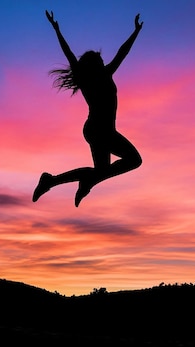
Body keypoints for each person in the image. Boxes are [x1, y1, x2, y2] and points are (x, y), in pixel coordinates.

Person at [33, 10, 143, 207]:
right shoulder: (97, 77)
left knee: (101, 170)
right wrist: (56, 30)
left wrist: (135, 31)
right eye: (100, 61)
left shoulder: (98, 76)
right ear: (94, 65)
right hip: (100, 130)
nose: (103, 62)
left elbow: (121, 53)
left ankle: (51, 180)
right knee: (134, 160)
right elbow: (119, 53)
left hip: (99, 130)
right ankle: (83, 181)